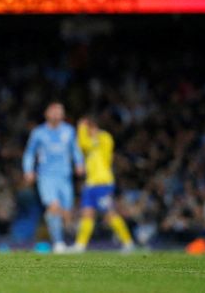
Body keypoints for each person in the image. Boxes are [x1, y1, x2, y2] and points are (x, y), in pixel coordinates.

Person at [22, 101, 84, 253]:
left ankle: (67, 236)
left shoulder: (69, 131)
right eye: (54, 111)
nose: (57, 114)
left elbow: (75, 149)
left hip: (65, 176)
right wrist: (28, 170)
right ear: (47, 114)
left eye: (60, 111)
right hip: (46, 176)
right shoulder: (38, 132)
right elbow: (29, 153)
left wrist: (79, 163)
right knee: (53, 207)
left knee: (65, 212)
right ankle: (58, 243)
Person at [71, 115, 134, 253]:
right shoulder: (89, 142)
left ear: (93, 127)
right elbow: (81, 144)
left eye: (87, 129)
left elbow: (84, 143)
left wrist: (81, 127)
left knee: (109, 214)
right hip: (90, 184)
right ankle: (80, 245)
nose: (85, 133)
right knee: (87, 214)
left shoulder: (105, 137)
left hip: (103, 183)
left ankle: (128, 243)